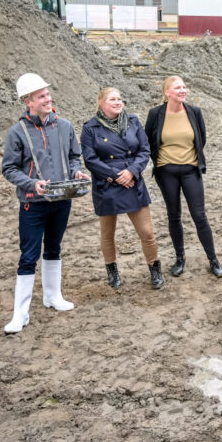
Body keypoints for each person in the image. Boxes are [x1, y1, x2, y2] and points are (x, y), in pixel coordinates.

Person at [1, 73, 89, 334]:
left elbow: (74, 157)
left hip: (62, 200)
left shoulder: (65, 126)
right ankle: (20, 314)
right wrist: (31, 184)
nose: (47, 99)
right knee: (28, 256)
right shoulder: (17, 132)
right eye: (41, 96)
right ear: (28, 101)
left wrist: (76, 173)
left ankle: (53, 297)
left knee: (54, 247)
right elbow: (9, 169)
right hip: (32, 203)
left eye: (48, 94)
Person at [81, 87, 165, 290]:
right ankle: (112, 272)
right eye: (112, 99)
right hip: (106, 184)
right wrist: (115, 176)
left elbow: (144, 150)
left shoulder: (133, 121)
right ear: (101, 103)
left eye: (120, 99)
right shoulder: (90, 128)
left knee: (147, 232)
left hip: (132, 181)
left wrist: (132, 172)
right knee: (107, 234)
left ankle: (155, 270)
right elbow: (90, 160)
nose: (118, 102)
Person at [145, 76, 222, 279]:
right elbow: (149, 140)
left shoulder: (194, 112)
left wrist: (190, 159)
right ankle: (180, 259)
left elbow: (201, 138)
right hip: (166, 171)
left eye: (184, 87)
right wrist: (160, 163)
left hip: (190, 170)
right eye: (177, 87)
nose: (183, 90)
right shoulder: (155, 114)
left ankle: (213, 259)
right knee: (174, 215)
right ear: (167, 92)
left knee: (199, 215)